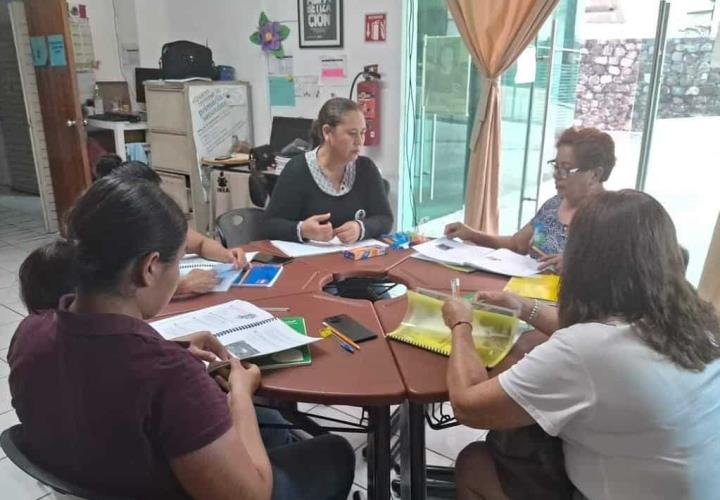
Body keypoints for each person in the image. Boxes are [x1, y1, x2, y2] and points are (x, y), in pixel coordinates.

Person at [10, 176, 355, 499]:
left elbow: (104, 363)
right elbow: (251, 494)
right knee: (333, 451)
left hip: (101, 475)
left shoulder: (30, 333)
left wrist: (166, 346)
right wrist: (240, 395)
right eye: (178, 264)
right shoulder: (168, 376)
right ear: (149, 269)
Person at [441, 190, 720, 500]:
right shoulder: (695, 320)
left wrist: (460, 324)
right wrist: (523, 306)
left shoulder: (586, 351)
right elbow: (604, 337)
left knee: (475, 463)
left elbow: (467, 406)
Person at [445, 127, 616, 272]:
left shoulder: (612, 220)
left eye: (566, 169)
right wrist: (472, 234)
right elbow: (517, 244)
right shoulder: (553, 205)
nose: (557, 175)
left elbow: (620, 278)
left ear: (595, 174)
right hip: (526, 295)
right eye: (556, 167)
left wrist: (576, 268)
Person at [96, 156, 246, 296]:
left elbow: (200, 243)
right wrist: (181, 286)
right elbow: (116, 293)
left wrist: (226, 255)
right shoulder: (110, 234)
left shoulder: (159, 219)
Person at [265, 97, 393, 243]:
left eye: (362, 133)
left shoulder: (366, 169)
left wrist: (360, 228)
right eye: (352, 133)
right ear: (327, 132)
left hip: (355, 259)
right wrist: (302, 230)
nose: (359, 141)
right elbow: (270, 225)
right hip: (309, 261)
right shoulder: (297, 170)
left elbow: (385, 218)